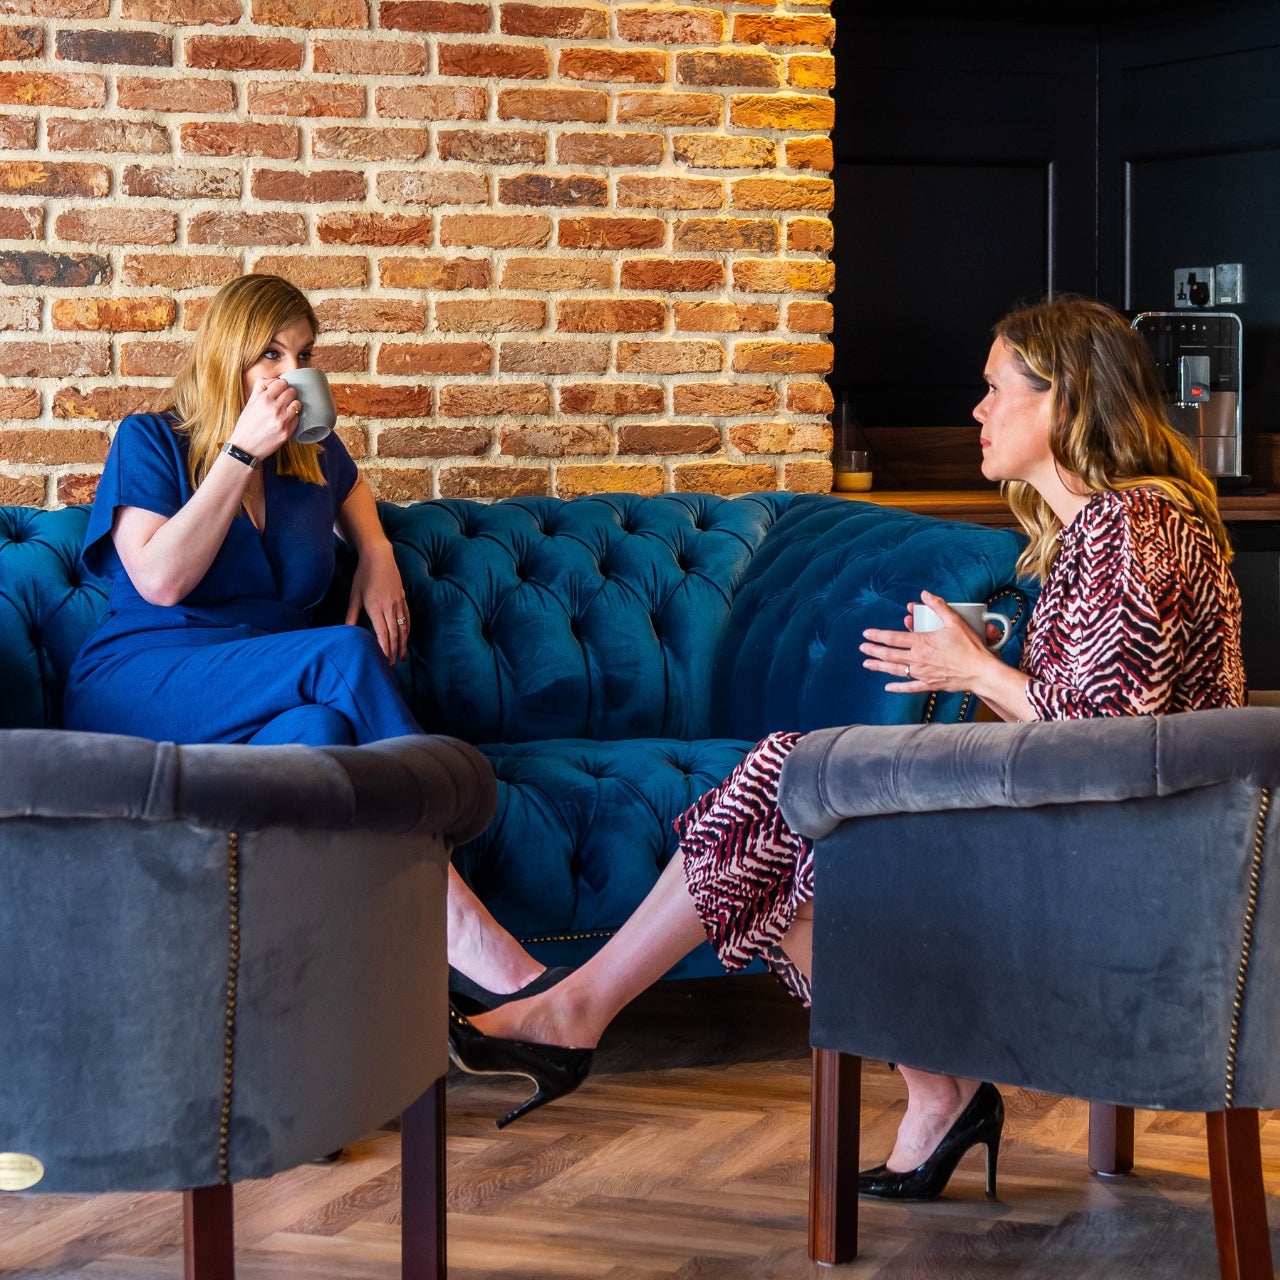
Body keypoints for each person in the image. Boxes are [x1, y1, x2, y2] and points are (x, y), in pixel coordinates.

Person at [447, 295, 1247, 1199]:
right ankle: (933, 1096)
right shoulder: (1121, 527)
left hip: (1113, 869)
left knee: (791, 789)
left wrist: (977, 670)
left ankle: (585, 1012)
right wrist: (975, 668)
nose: (977, 412)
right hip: (1115, 847)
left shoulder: (1127, 525)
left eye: (993, 391)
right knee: (784, 820)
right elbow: (1102, 721)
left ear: (1062, 400)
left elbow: (1106, 743)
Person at [62, 272, 556, 1024]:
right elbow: (160, 579)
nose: (290, 374)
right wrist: (237, 454)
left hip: (261, 694)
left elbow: (351, 484)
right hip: (145, 677)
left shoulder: (308, 460)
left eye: (303, 354)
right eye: (269, 354)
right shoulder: (152, 440)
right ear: (227, 355)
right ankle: (479, 944)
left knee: (322, 741)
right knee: (344, 655)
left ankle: (308, 1038)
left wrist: (378, 552)